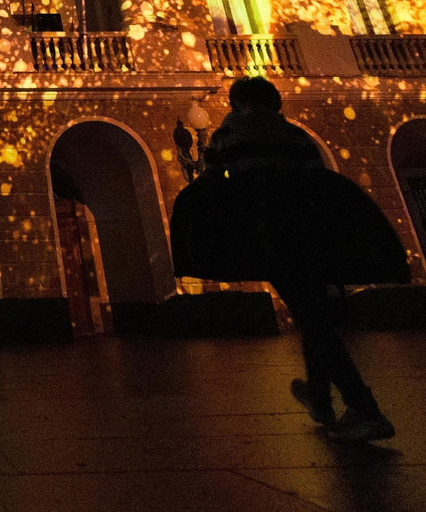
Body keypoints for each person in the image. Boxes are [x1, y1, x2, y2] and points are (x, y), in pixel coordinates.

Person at [170, 76, 407, 442]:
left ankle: (364, 407)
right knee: (311, 312)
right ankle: (319, 396)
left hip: (269, 236)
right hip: (308, 235)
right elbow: (319, 185)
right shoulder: (297, 137)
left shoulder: (227, 136)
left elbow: (213, 182)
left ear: (237, 105)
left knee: (312, 319)